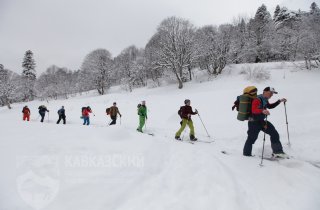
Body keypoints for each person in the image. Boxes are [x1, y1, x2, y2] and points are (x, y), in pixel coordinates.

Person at [243, 87, 287, 158]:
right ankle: (246, 155)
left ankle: (278, 152)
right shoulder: (257, 99)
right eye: (270, 93)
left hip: (262, 121)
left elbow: (270, 106)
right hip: (253, 122)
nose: (272, 95)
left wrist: (279, 101)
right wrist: (262, 111)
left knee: (274, 133)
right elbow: (254, 110)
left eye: (272, 93)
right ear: (265, 92)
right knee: (251, 138)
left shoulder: (265, 99)